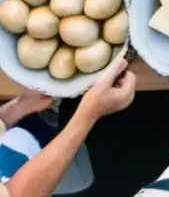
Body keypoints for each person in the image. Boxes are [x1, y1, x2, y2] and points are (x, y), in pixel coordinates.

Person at [0, 58, 137, 197]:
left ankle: (52, 119)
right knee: (82, 177)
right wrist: (88, 114)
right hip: (28, 172)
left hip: (13, 135)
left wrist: (10, 113)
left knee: (45, 128)